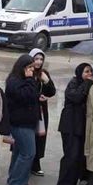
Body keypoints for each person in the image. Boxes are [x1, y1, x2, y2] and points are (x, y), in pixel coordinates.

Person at [55, 63, 93, 185]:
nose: (89, 74)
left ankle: (72, 183)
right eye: (86, 72)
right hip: (70, 125)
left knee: (78, 156)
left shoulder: (89, 86)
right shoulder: (74, 83)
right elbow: (76, 97)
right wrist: (87, 83)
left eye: (90, 72)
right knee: (70, 155)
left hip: (81, 126)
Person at [5, 55, 39, 185]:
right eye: (29, 67)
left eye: (32, 67)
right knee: (28, 153)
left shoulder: (24, 81)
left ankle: (13, 179)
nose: (31, 70)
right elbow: (27, 96)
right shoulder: (14, 81)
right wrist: (30, 79)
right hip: (20, 123)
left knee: (19, 152)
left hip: (28, 122)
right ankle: (16, 182)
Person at [28, 48, 55, 176]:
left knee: (39, 136)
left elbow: (52, 91)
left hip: (41, 111)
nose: (38, 62)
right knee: (28, 138)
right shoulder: (27, 72)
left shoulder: (44, 73)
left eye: (41, 59)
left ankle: (36, 163)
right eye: (36, 59)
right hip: (28, 110)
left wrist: (47, 81)